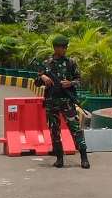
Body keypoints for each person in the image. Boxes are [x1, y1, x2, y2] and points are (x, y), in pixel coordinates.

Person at [35, 35, 90, 169]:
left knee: (75, 129)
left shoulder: (71, 62)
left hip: (67, 101)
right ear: (55, 48)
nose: (65, 49)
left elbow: (79, 80)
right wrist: (43, 77)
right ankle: (59, 158)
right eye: (62, 47)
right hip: (51, 101)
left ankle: (84, 157)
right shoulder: (46, 63)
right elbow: (36, 82)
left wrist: (70, 83)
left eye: (66, 47)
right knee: (54, 130)